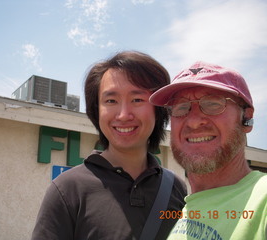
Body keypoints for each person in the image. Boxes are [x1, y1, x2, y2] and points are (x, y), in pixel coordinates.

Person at [31, 51, 187, 240]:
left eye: (137, 100)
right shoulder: (67, 190)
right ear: (97, 111)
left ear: (158, 110)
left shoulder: (176, 188)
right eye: (111, 101)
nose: (123, 115)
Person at [149, 61, 267, 240]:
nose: (194, 121)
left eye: (213, 104)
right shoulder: (184, 212)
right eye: (181, 107)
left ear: (246, 117)